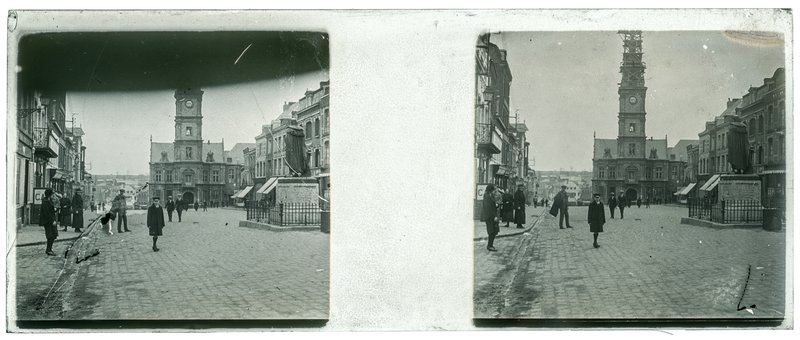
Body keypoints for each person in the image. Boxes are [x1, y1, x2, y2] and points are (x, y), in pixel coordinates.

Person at [41, 188, 59, 256]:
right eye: (52, 194)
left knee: (53, 235)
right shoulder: (45, 201)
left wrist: (55, 209)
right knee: (50, 235)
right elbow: (47, 213)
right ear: (49, 194)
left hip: (51, 220)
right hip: (48, 221)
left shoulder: (49, 200)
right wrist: (52, 221)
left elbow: (51, 210)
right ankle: (48, 250)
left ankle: (49, 249)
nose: (53, 195)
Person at [482, 184, 500, 252]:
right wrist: (494, 216)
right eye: (494, 189)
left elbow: (492, 206)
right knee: (491, 231)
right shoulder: (487, 197)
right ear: (491, 190)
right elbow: (488, 208)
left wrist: (496, 205)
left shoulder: (490, 196)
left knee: (494, 231)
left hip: (492, 216)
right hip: (489, 217)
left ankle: (491, 245)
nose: (495, 190)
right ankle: (489, 246)